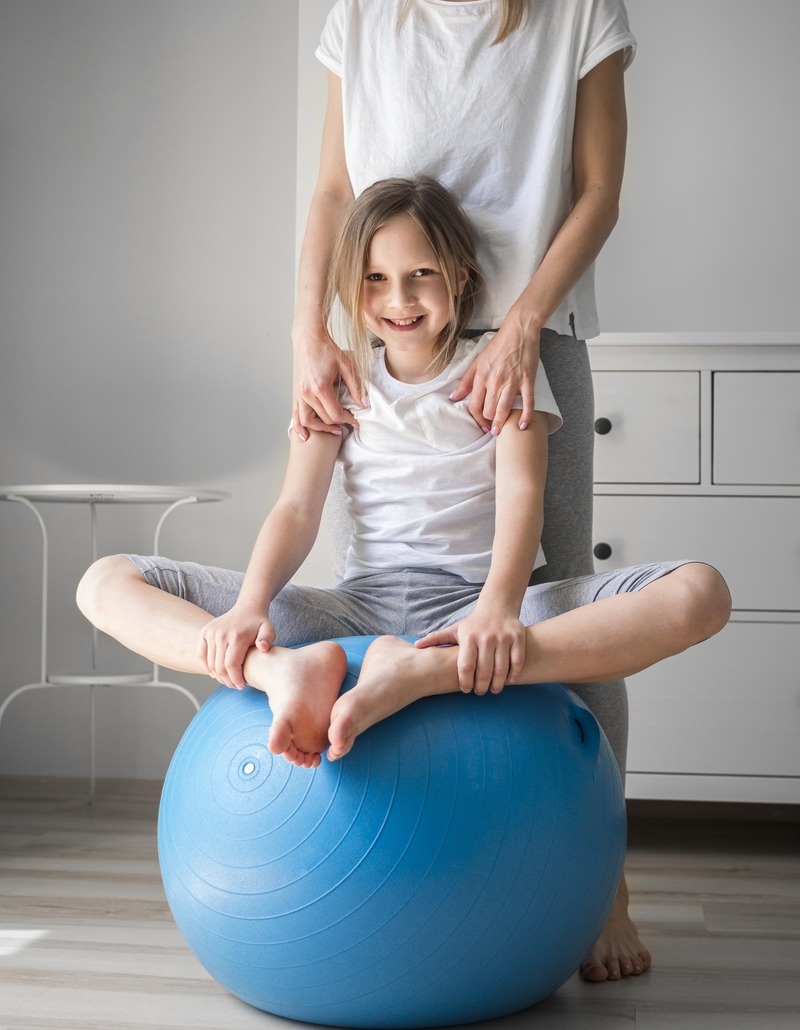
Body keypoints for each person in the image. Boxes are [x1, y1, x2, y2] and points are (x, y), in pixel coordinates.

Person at [78, 178, 729, 945]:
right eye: (376, 279)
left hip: (479, 606)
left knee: (700, 593)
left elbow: (523, 497)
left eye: (421, 274)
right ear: (351, 288)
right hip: (356, 610)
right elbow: (295, 510)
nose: (400, 298)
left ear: (459, 274)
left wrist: (496, 611)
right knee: (104, 580)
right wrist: (251, 609)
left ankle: (428, 671)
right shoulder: (340, 383)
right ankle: (277, 673)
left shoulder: (500, 371)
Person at [292, 0, 641, 982]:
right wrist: (306, 333)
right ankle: (394, 851)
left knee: (563, 603)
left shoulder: (577, 12)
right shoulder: (361, 18)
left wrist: (523, 324)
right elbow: (332, 190)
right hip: (392, 338)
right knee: (382, 589)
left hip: (529, 339)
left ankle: (607, 882)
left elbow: (598, 189)